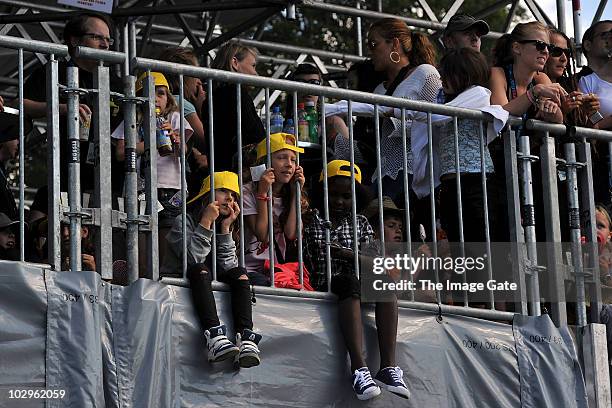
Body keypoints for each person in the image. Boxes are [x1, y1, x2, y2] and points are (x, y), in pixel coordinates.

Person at [303, 160, 410, 401]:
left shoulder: (360, 222)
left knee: (385, 285)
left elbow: (375, 262)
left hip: (360, 281)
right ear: (323, 194)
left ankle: (388, 368)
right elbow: (319, 255)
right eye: (335, 195)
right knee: (348, 282)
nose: (340, 202)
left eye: (347, 196)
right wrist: (354, 258)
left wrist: (348, 254)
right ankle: (359, 369)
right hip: (328, 281)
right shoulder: (313, 220)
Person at [161, 171, 261, 367]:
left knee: (240, 274)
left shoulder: (227, 224)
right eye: (223, 191)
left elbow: (229, 267)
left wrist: (225, 229)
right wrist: (205, 222)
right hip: (183, 282)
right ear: (207, 195)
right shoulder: (185, 221)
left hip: (208, 282)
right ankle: (214, 336)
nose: (230, 198)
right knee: (200, 269)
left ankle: (246, 338)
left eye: (234, 194)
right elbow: (192, 260)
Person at [23, 12, 124, 196]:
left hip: (112, 181)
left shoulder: (117, 83)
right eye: (96, 37)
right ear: (75, 40)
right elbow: (20, 104)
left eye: (108, 40)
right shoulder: (56, 71)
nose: (104, 45)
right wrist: (61, 108)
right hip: (67, 175)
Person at [367, 17, 441, 241]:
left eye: (374, 44)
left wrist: (393, 117)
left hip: (414, 172)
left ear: (395, 45)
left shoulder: (425, 73)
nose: (370, 52)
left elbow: (434, 121)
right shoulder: (379, 89)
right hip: (384, 175)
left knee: (415, 238)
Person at [112, 72, 193, 268]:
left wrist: (174, 137)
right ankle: (140, 282)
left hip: (171, 190)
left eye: (161, 93)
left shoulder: (173, 117)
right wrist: (151, 141)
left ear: (169, 99)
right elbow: (120, 153)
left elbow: (183, 151)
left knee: (166, 245)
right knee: (139, 245)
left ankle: (161, 284)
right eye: (149, 93)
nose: (156, 98)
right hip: (140, 189)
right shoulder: (133, 120)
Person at [242, 133, 305, 285]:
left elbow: (291, 234)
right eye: (281, 157)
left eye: (293, 159)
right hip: (248, 269)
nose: (289, 164)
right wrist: (263, 193)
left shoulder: (288, 193)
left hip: (274, 269)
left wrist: (297, 193)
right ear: (265, 163)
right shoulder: (247, 191)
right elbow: (264, 236)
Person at [204, 43, 265, 172]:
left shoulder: (210, 98)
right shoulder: (237, 94)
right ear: (235, 63)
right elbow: (255, 136)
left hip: (220, 174)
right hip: (240, 175)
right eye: (253, 66)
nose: (256, 73)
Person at [158, 47, 208, 195]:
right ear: (186, 77)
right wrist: (201, 108)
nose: (199, 81)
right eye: (196, 74)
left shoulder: (172, 101)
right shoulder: (182, 103)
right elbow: (206, 139)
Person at [578, 20, 612, 205]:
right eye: (606, 34)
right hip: (600, 162)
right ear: (588, 45)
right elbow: (588, 122)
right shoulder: (582, 80)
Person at [544, 29, 601, 127]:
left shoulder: (571, 85)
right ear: (542, 51)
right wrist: (563, 111)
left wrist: (592, 113)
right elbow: (535, 133)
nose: (564, 59)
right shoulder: (532, 85)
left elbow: (591, 138)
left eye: (567, 53)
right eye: (556, 51)